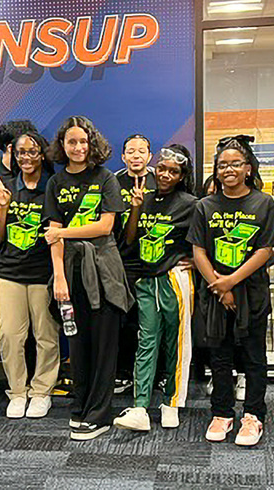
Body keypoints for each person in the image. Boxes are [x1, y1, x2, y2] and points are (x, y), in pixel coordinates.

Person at [189, 135, 274, 447]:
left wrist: (231, 282)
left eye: (235, 164)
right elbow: (198, 251)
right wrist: (220, 287)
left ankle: (253, 414)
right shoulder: (205, 206)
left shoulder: (263, 203)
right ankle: (221, 412)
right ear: (216, 171)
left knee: (254, 356)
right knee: (219, 355)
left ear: (248, 168)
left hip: (251, 292)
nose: (228, 169)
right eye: (222, 165)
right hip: (215, 292)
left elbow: (264, 250)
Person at [43, 116, 132, 441]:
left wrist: (62, 233)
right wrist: (59, 278)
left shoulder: (105, 178)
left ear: (92, 143)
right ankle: (80, 409)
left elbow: (105, 227)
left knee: (104, 346)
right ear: (62, 145)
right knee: (78, 344)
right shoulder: (55, 182)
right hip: (70, 270)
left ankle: (99, 415)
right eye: (72, 142)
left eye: (83, 141)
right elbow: (51, 234)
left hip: (104, 270)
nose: (78, 147)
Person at [113, 144, 197, 432]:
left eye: (173, 171)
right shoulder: (143, 198)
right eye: (162, 168)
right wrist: (135, 208)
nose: (165, 175)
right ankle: (140, 407)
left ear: (182, 175)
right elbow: (129, 239)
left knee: (176, 343)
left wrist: (197, 262)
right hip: (146, 280)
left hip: (174, 280)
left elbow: (204, 239)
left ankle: (171, 403)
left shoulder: (191, 204)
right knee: (146, 342)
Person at [0, 131, 61, 419]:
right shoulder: (7, 187)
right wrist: (3, 207)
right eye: (21, 152)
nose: (26, 157)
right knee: (8, 335)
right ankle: (18, 391)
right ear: (14, 156)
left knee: (46, 335)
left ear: (42, 155)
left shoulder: (53, 186)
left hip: (43, 273)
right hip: (9, 272)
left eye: (32, 152)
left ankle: (42, 392)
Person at [113, 134, 157, 395]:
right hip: (123, 260)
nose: (136, 155)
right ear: (123, 156)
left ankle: (159, 374)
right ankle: (124, 372)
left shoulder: (161, 180)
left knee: (156, 321)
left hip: (155, 259)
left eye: (142, 151)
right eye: (131, 151)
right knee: (126, 320)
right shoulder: (113, 181)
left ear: (150, 156)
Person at [0, 120, 38, 279]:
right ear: (12, 148)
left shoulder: (37, 176)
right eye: (24, 148)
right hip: (1, 264)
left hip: (37, 263)